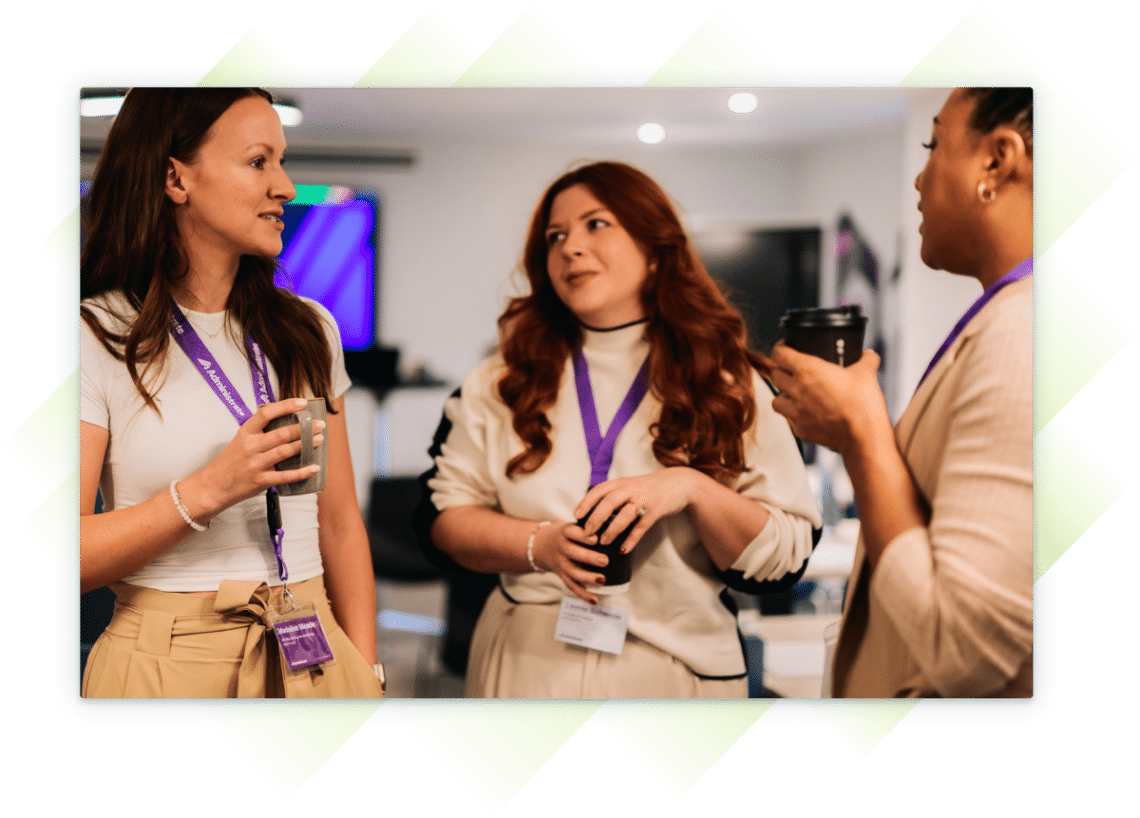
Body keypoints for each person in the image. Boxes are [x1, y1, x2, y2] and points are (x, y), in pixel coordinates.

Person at [414, 162, 821, 698]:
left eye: (596, 224)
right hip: (524, 667)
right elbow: (441, 518)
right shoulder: (501, 379)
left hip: (678, 673)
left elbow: (787, 551)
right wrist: (540, 545)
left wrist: (691, 489)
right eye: (555, 236)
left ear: (655, 250)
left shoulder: (729, 380)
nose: (570, 247)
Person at [79, 88, 384, 698]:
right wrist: (211, 489)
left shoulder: (308, 329)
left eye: (282, 161)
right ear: (175, 178)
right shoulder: (92, 335)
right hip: (164, 664)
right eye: (258, 162)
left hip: (316, 652)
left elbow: (339, 522)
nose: (287, 187)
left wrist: (367, 670)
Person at [761, 87, 1034, 698]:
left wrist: (860, 431)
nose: (918, 178)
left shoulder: (1023, 333)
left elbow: (962, 650)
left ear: (998, 161)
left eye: (934, 145)